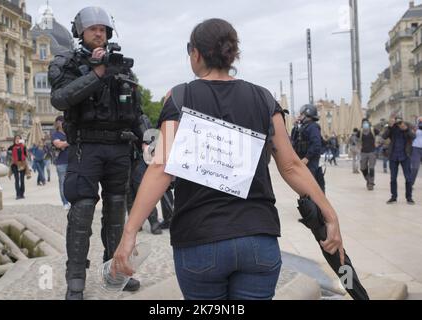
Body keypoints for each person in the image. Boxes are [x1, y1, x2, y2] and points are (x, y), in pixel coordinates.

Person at [112, 18, 345, 301]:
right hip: (258, 238)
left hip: (199, 239)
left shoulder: (180, 97)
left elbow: (161, 167)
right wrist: (330, 215)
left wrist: (129, 232)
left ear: (196, 54)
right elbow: (291, 165)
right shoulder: (264, 99)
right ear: (232, 53)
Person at [48, 6, 147, 300]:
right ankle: (75, 280)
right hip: (85, 149)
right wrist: (99, 73)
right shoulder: (67, 61)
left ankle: (115, 272)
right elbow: (61, 98)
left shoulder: (121, 65)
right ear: (81, 32)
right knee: (81, 214)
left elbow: (136, 110)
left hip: (118, 147)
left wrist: (151, 139)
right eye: (93, 29)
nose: (99, 33)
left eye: (103, 29)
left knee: (117, 214)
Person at [291, 104, 325, 192]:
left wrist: (307, 158)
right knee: (305, 187)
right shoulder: (303, 127)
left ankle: (315, 205)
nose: (299, 116)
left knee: (312, 188)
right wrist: (295, 127)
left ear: (307, 116)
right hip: (304, 161)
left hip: (311, 162)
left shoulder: (313, 127)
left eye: (301, 114)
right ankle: (308, 204)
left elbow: (316, 144)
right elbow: (293, 140)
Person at [383, 117, 416, 205]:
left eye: (400, 121)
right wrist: (390, 126)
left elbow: (413, 136)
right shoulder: (391, 128)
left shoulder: (407, 126)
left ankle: (409, 197)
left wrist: (406, 129)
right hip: (393, 156)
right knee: (393, 178)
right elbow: (384, 136)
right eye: (397, 121)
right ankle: (393, 197)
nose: (398, 123)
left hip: (405, 156)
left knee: (408, 178)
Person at [52, 116, 70, 210]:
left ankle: (71, 201)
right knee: (62, 183)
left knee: (72, 183)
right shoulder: (55, 134)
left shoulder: (69, 133)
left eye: (63, 121)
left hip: (72, 161)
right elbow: (58, 144)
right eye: (60, 122)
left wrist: (64, 143)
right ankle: (65, 202)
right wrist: (70, 142)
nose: (61, 123)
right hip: (61, 162)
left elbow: (62, 144)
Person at [358, 119, 380, 191]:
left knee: (371, 168)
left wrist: (378, 142)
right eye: (363, 123)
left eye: (366, 123)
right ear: (362, 124)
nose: (365, 124)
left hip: (372, 152)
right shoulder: (360, 132)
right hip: (363, 152)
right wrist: (358, 145)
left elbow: (381, 135)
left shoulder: (373, 130)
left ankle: (371, 183)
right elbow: (355, 139)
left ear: (369, 123)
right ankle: (369, 180)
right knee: (362, 168)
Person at [8, 135, 28, 200]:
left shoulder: (23, 146)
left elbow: (26, 155)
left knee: (22, 180)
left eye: (19, 138)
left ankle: (22, 194)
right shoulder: (12, 147)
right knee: (17, 179)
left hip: (22, 163)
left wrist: (24, 146)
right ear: (14, 139)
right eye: (16, 138)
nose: (17, 139)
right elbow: (8, 152)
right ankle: (18, 194)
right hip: (15, 164)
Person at [411, 117, 422, 187]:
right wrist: (414, 129)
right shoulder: (415, 128)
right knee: (415, 167)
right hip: (416, 148)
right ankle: (411, 183)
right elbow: (410, 136)